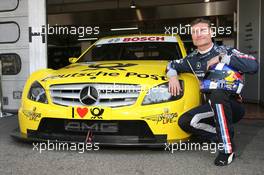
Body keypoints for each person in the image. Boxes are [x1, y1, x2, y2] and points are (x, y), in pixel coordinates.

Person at [166, 18, 258, 166]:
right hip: (210, 105)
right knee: (185, 121)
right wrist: (173, 76)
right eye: (194, 32)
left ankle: (227, 150)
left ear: (211, 32)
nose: (198, 34)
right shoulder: (190, 59)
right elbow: (171, 64)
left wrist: (222, 58)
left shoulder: (227, 51)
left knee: (218, 94)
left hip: (233, 104)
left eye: (202, 30)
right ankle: (223, 134)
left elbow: (253, 65)